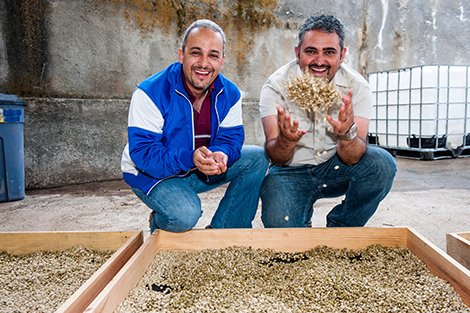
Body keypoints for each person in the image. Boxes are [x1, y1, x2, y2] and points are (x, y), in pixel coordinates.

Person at [121, 19, 268, 233]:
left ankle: (227, 232)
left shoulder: (230, 93)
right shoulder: (150, 92)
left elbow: (230, 139)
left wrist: (221, 153)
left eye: (213, 55)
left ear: (222, 61)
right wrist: (191, 158)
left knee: (257, 158)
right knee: (184, 215)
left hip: (196, 167)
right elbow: (144, 154)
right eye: (196, 53)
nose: (204, 63)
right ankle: (161, 222)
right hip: (152, 173)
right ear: (182, 55)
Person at [259, 14, 397, 228]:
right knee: (281, 228)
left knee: (381, 164)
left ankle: (342, 226)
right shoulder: (276, 86)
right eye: (311, 51)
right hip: (289, 171)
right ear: (297, 53)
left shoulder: (357, 87)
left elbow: (352, 158)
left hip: (335, 167)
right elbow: (276, 156)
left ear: (342, 55)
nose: (319, 61)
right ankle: (300, 220)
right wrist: (286, 140)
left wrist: (346, 134)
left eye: (329, 52)